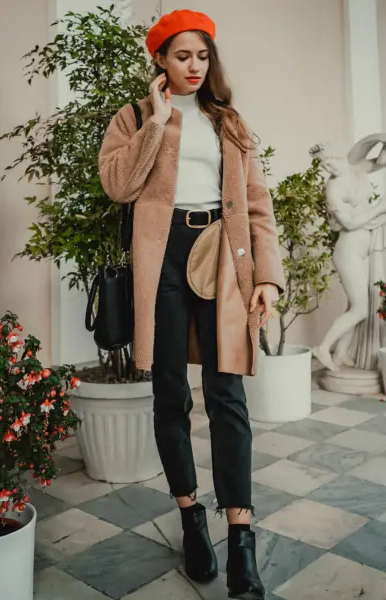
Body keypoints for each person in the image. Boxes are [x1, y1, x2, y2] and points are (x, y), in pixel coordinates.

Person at [99, 9, 285, 599]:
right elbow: (119, 186)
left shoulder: (228, 121)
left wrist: (267, 277)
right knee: (171, 393)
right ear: (159, 59)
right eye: (182, 56)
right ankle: (190, 519)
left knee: (228, 396)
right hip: (165, 261)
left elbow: (258, 202)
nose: (194, 67)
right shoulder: (132, 118)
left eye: (202, 56)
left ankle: (242, 538)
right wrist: (156, 121)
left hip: (224, 255)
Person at [310, 138, 386, 372]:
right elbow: (351, 223)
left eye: (330, 160)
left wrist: (381, 139)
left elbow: (382, 161)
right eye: (323, 165)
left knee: (356, 305)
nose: (328, 167)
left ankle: (341, 352)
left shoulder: (357, 168)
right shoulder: (334, 188)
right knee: (361, 308)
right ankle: (323, 348)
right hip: (348, 250)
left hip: (363, 248)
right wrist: (380, 208)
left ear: (341, 155)